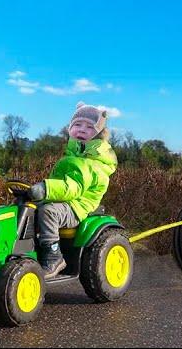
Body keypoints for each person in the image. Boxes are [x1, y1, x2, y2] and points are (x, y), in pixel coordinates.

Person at [27, 102, 118, 279]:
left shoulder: (92, 164)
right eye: (77, 125)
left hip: (77, 206)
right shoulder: (72, 157)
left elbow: (72, 188)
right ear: (70, 128)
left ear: (99, 135)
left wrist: (45, 189)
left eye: (89, 127)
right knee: (26, 209)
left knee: (48, 212)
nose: (82, 130)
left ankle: (54, 256)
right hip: (64, 201)